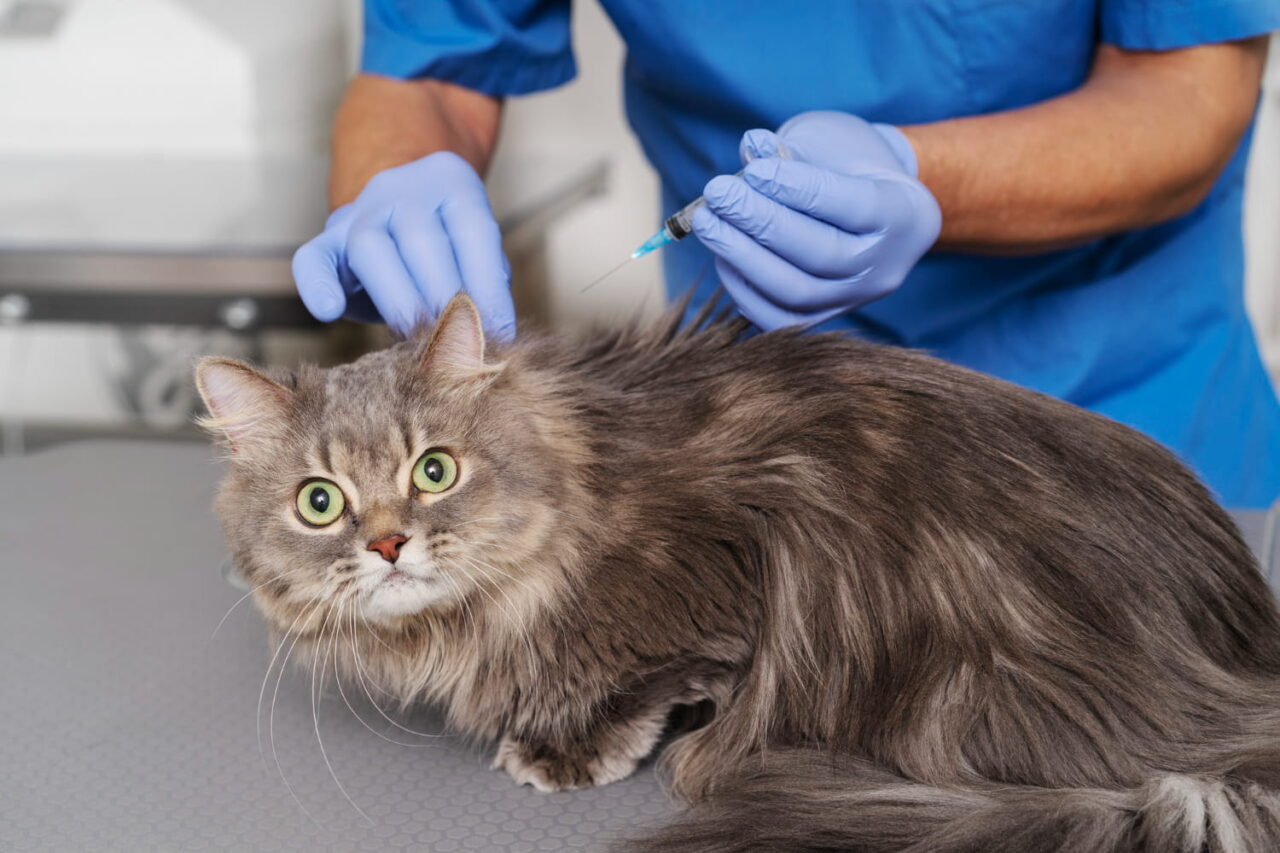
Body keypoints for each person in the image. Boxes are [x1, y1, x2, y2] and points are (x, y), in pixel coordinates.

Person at [292, 2, 1280, 509]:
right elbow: (424, 71)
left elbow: (1188, 95)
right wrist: (397, 182)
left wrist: (916, 176)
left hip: (1110, 407)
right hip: (754, 411)